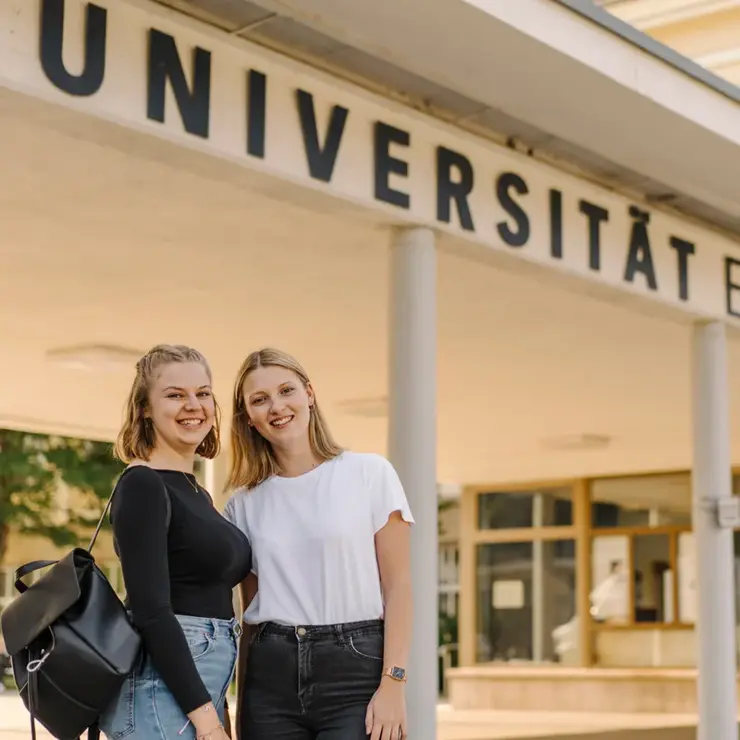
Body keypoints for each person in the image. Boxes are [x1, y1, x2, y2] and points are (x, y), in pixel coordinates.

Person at [223, 347, 414, 740]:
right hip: (270, 678)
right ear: (249, 419)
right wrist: (242, 707)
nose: (276, 406)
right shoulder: (242, 504)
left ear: (309, 394)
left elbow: (399, 587)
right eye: (260, 400)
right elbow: (250, 614)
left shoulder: (370, 474)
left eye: (286, 390)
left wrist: (394, 682)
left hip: (355, 672)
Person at [99, 345, 252, 740]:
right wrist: (206, 721)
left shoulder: (194, 491)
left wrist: (218, 711)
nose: (193, 405)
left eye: (202, 393)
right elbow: (152, 612)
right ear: (144, 408)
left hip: (192, 692)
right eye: (174, 394)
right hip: (160, 697)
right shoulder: (143, 484)